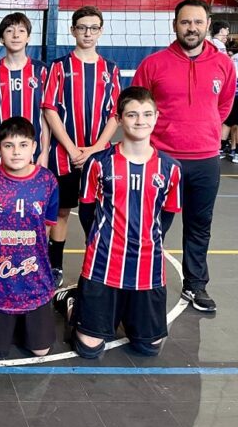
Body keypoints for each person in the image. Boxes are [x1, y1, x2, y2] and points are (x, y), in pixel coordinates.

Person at [53, 86, 182, 359]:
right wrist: (101, 241)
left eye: (147, 114)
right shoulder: (99, 163)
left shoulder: (170, 168)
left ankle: (125, 311)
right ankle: (74, 301)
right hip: (104, 262)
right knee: (89, 349)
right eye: (132, 114)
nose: (140, 120)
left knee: (149, 348)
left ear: (157, 117)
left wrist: (147, 239)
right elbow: (87, 211)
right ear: (120, 119)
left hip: (147, 265)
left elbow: (167, 215)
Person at [132, 0, 236, 312]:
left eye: (198, 22)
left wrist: (204, 129)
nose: (192, 28)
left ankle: (196, 284)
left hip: (205, 160)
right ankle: (143, 279)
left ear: (207, 25)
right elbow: (136, 106)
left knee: (199, 225)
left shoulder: (223, 64)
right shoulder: (154, 64)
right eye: (185, 22)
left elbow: (224, 106)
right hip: (162, 160)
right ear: (175, 25)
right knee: (152, 225)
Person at [0, 117, 59, 357]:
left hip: (33, 277)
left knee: (41, 350)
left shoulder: (47, 181)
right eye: (8, 145)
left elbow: (47, 226)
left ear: (34, 146)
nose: (16, 152)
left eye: (23, 145)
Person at [42, 6, 121, 287]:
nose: (88, 33)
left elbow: (115, 113)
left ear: (101, 31)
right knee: (61, 212)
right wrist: (73, 149)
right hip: (65, 156)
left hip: (99, 158)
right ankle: (55, 266)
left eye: (93, 27)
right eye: (82, 27)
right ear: (73, 30)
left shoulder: (110, 69)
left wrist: (96, 148)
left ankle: (97, 265)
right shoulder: (58, 67)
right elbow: (49, 109)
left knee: (98, 213)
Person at [0, 12, 49, 168]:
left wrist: (45, 151)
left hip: (34, 152)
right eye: (9, 31)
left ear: (28, 38)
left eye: (21, 30)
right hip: (2, 153)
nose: (15, 35)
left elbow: (46, 115)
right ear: (1, 38)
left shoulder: (41, 71)